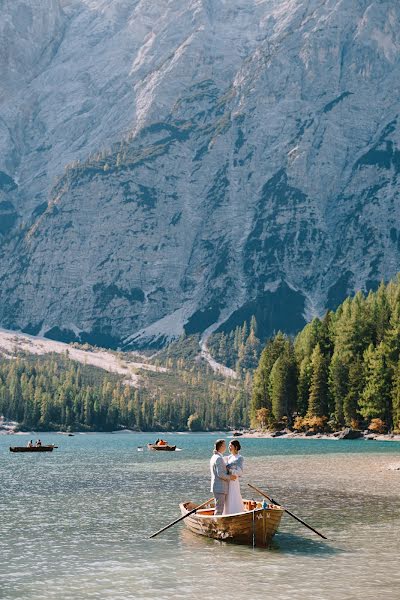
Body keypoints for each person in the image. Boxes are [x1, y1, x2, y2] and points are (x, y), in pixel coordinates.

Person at [210, 439, 236, 515]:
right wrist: (230, 477)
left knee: (219, 508)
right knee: (219, 510)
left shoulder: (215, 456)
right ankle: (216, 526)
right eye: (224, 445)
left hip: (217, 487)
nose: (226, 447)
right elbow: (220, 474)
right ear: (221, 447)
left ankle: (217, 524)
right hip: (220, 487)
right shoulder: (218, 458)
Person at [223, 439, 244, 514]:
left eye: (230, 446)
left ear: (235, 447)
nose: (229, 447)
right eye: (229, 446)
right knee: (227, 498)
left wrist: (231, 471)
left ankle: (235, 513)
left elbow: (240, 473)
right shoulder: (228, 457)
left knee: (233, 497)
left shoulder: (239, 458)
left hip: (234, 481)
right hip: (227, 480)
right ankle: (226, 513)